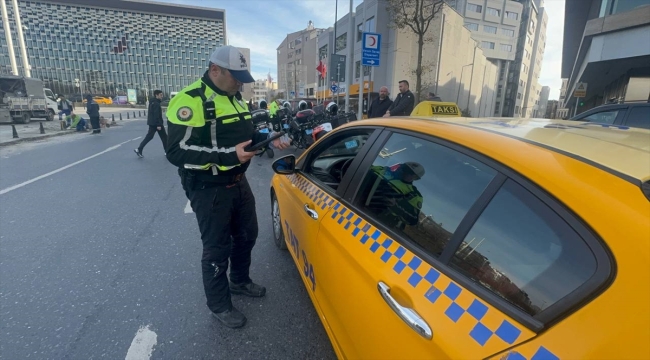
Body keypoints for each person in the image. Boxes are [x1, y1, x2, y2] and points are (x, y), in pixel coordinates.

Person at [165, 45, 290, 329]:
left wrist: (266, 138)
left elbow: (242, 135)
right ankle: (219, 304)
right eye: (235, 77)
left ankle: (240, 281)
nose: (240, 83)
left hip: (237, 180)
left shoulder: (234, 97)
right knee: (217, 248)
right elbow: (176, 151)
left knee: (247, 235)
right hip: (208, 186)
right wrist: (228, 156)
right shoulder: (190, 100)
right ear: (214, 70)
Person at [135, 90, 167, 158]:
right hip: (157, 124)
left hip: (152, 123)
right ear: (156, 95)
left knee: (150, 137)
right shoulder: (156, 103)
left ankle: (139, 149)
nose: (162, 96)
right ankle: (167, 151)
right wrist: (158, 124)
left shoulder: (152, 102)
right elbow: (156, 115)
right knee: (164, 137)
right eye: (161, 95)